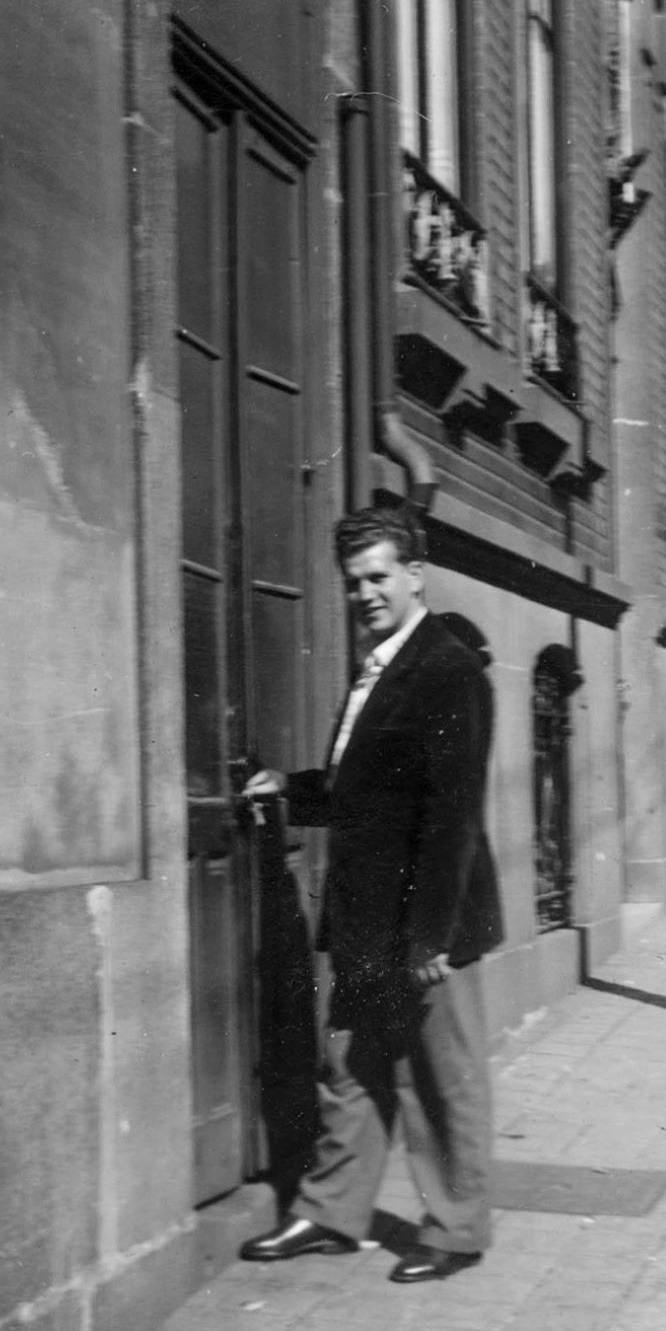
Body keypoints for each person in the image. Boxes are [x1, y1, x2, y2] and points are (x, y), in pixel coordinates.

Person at [238, 505, 503, 1283]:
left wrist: (431, 940)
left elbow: (452, 815)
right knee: (351, 1066)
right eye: (354, 582)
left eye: (379, 577)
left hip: (426, 922)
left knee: (440, 1079)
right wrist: (291, 787)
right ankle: (330, 1214)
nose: (365, 594)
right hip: (366, 913)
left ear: (415, 575)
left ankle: (457, 1231)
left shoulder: (449, 669)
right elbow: (367, 792)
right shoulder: (379, 666)